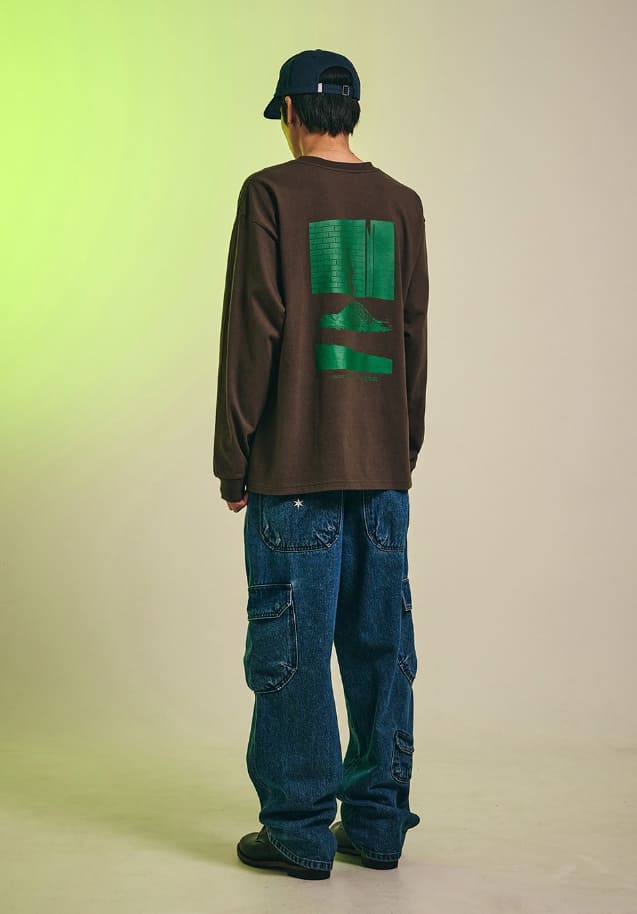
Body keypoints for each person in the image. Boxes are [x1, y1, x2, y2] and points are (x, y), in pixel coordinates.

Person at [213, 48, 429, 880]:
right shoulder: (402, 202)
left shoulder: (269, 193)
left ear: (294, 113)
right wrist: (401, 449)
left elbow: (253, 329)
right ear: (352, 112)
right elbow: (410, 332)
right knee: (380, 649)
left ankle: (299, 834)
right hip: (381, 470)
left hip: (293, 469)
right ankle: (376, 826)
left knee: (292, 655)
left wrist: (233, 457)